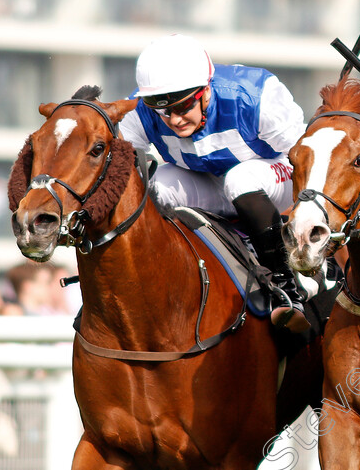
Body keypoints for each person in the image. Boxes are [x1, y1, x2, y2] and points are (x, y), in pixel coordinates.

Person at [118, 34, 309, 333]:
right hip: (213, 185)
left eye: (182, 107)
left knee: (240, 178)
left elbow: (306, 159)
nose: (174, 120)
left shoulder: (255, 94)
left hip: (277, 178)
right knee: (159, 185)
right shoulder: (139, 110)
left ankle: (286, 288)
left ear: (206, 90)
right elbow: (119, 168)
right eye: (162, 110)